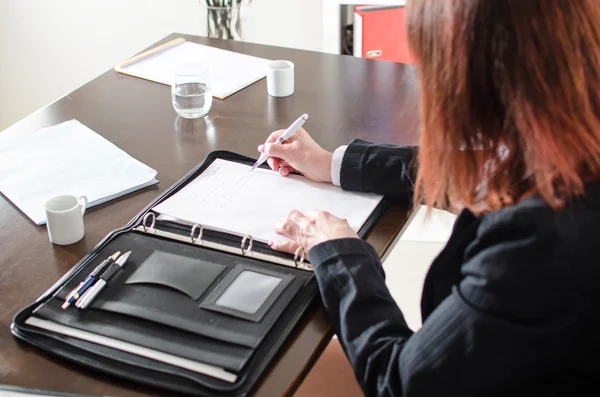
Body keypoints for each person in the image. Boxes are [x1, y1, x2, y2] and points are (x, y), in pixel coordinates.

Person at [257, 1, 600, 396]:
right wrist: (331, 163)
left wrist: (340, 253)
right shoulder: (572, 135)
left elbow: (400, 383)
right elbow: (489, 166)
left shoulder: (538, 241)